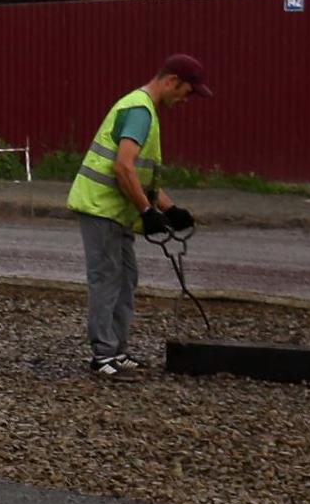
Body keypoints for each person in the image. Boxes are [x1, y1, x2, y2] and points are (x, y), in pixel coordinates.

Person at [68, 55, 208, 381]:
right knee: (107, 280)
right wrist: (147, 212)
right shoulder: (140, 112)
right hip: (100, 209)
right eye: (188, 92)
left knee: (126, 279)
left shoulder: (144, 110)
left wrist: (171, 210)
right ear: (171, 81)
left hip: (115, 213)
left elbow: (140, 176)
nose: (186, 100)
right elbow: (123, 166)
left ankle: (117, 350)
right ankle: (103, 357)